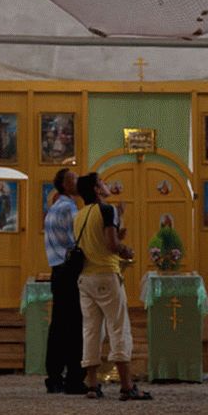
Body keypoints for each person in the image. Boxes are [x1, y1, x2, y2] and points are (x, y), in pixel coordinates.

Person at [74, 172, 151, 401]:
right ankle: (127, 386)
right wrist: (124, 249)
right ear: (97, 190)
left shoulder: (79, 215)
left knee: (90, 330)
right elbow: (110, 244)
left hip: (84, 277)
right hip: (106, 274)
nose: (106, 186)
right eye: (102, 183)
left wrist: (119, 225)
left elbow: (95, 240)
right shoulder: (107, 210)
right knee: (118, 327)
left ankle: (92, 385)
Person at [42, 168, 85, 395]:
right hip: (69, 270)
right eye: (74, 179)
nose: (77, 182)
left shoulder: (53, 207)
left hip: (57, 270)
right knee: (73, 325)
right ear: (66, 185)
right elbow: (75, 240)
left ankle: (55, 375)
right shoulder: (69, 208)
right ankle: (73, 377)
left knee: (58, 324)